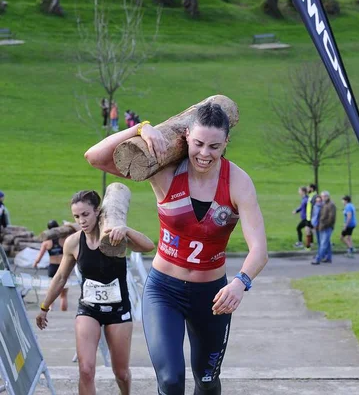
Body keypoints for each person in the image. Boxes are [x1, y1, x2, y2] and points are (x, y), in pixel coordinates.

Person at [84, 101, 268, 395]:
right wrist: (141, 128)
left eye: (214, 146)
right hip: (164, 291)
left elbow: (259, 248)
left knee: (207, 382)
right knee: (170, 381)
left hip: (212, 296)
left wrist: (240, 283)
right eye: (198, 144)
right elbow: (94, 157)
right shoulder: (163, 171)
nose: (204, 154)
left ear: (226, 143)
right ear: (185, 137)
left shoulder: (238, 183)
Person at [36, 189, 154, 395]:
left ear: (97, 211)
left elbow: (148, 247)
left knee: (121, 373)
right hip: (88, 309)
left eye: (85, 214)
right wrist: (44, 307)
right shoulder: (73, 242)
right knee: (86, 370)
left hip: (118, 310)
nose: (81, 220)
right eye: (76, 216)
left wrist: (126, 230)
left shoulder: (114, 236)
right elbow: (61, 277)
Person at [33, 220, 69, 311]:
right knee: (63, 295)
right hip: (63, 267)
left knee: (52, 290)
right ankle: (63, 312)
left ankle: (51, 309)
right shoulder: (64, 240)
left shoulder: (46, 242)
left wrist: (36, 263)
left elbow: (40, 255)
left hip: (52, 267)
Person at [311, 191, 336, 265]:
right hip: (321, 226)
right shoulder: (323, 204)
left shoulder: (331, 205)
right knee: (326, 243)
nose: (323, 198)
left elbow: (331, 217)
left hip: (327, 227)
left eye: (324, 196)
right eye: (322, 196)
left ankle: (318, 259)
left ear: (328, 196)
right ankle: (328, 258)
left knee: (323, 244)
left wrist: (325, 225)